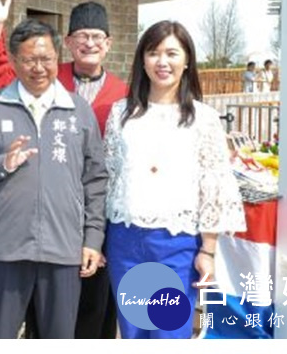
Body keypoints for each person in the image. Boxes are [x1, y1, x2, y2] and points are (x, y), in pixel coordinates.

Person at [0, 0, 128, 339]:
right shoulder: (43, 76)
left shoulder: (123, 94)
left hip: (96, 217)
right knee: (40, 319)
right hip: (41, 230)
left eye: (97, 37)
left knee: (91, 314)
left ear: (109, 44)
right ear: (69, 43)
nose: (90, 43)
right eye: (81, 36)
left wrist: (95, 235)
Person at [104, 20, 245, 339]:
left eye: (171, 53)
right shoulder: (120, 114)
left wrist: (207, 250)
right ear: (142, 60)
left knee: (168, 332)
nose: (162, 62)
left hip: (176, 243)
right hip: (125, 241)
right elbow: (109, 175)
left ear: (187, 61)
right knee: (134, 331)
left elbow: (214, 185)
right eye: (153, 53)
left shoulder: (203, 119)